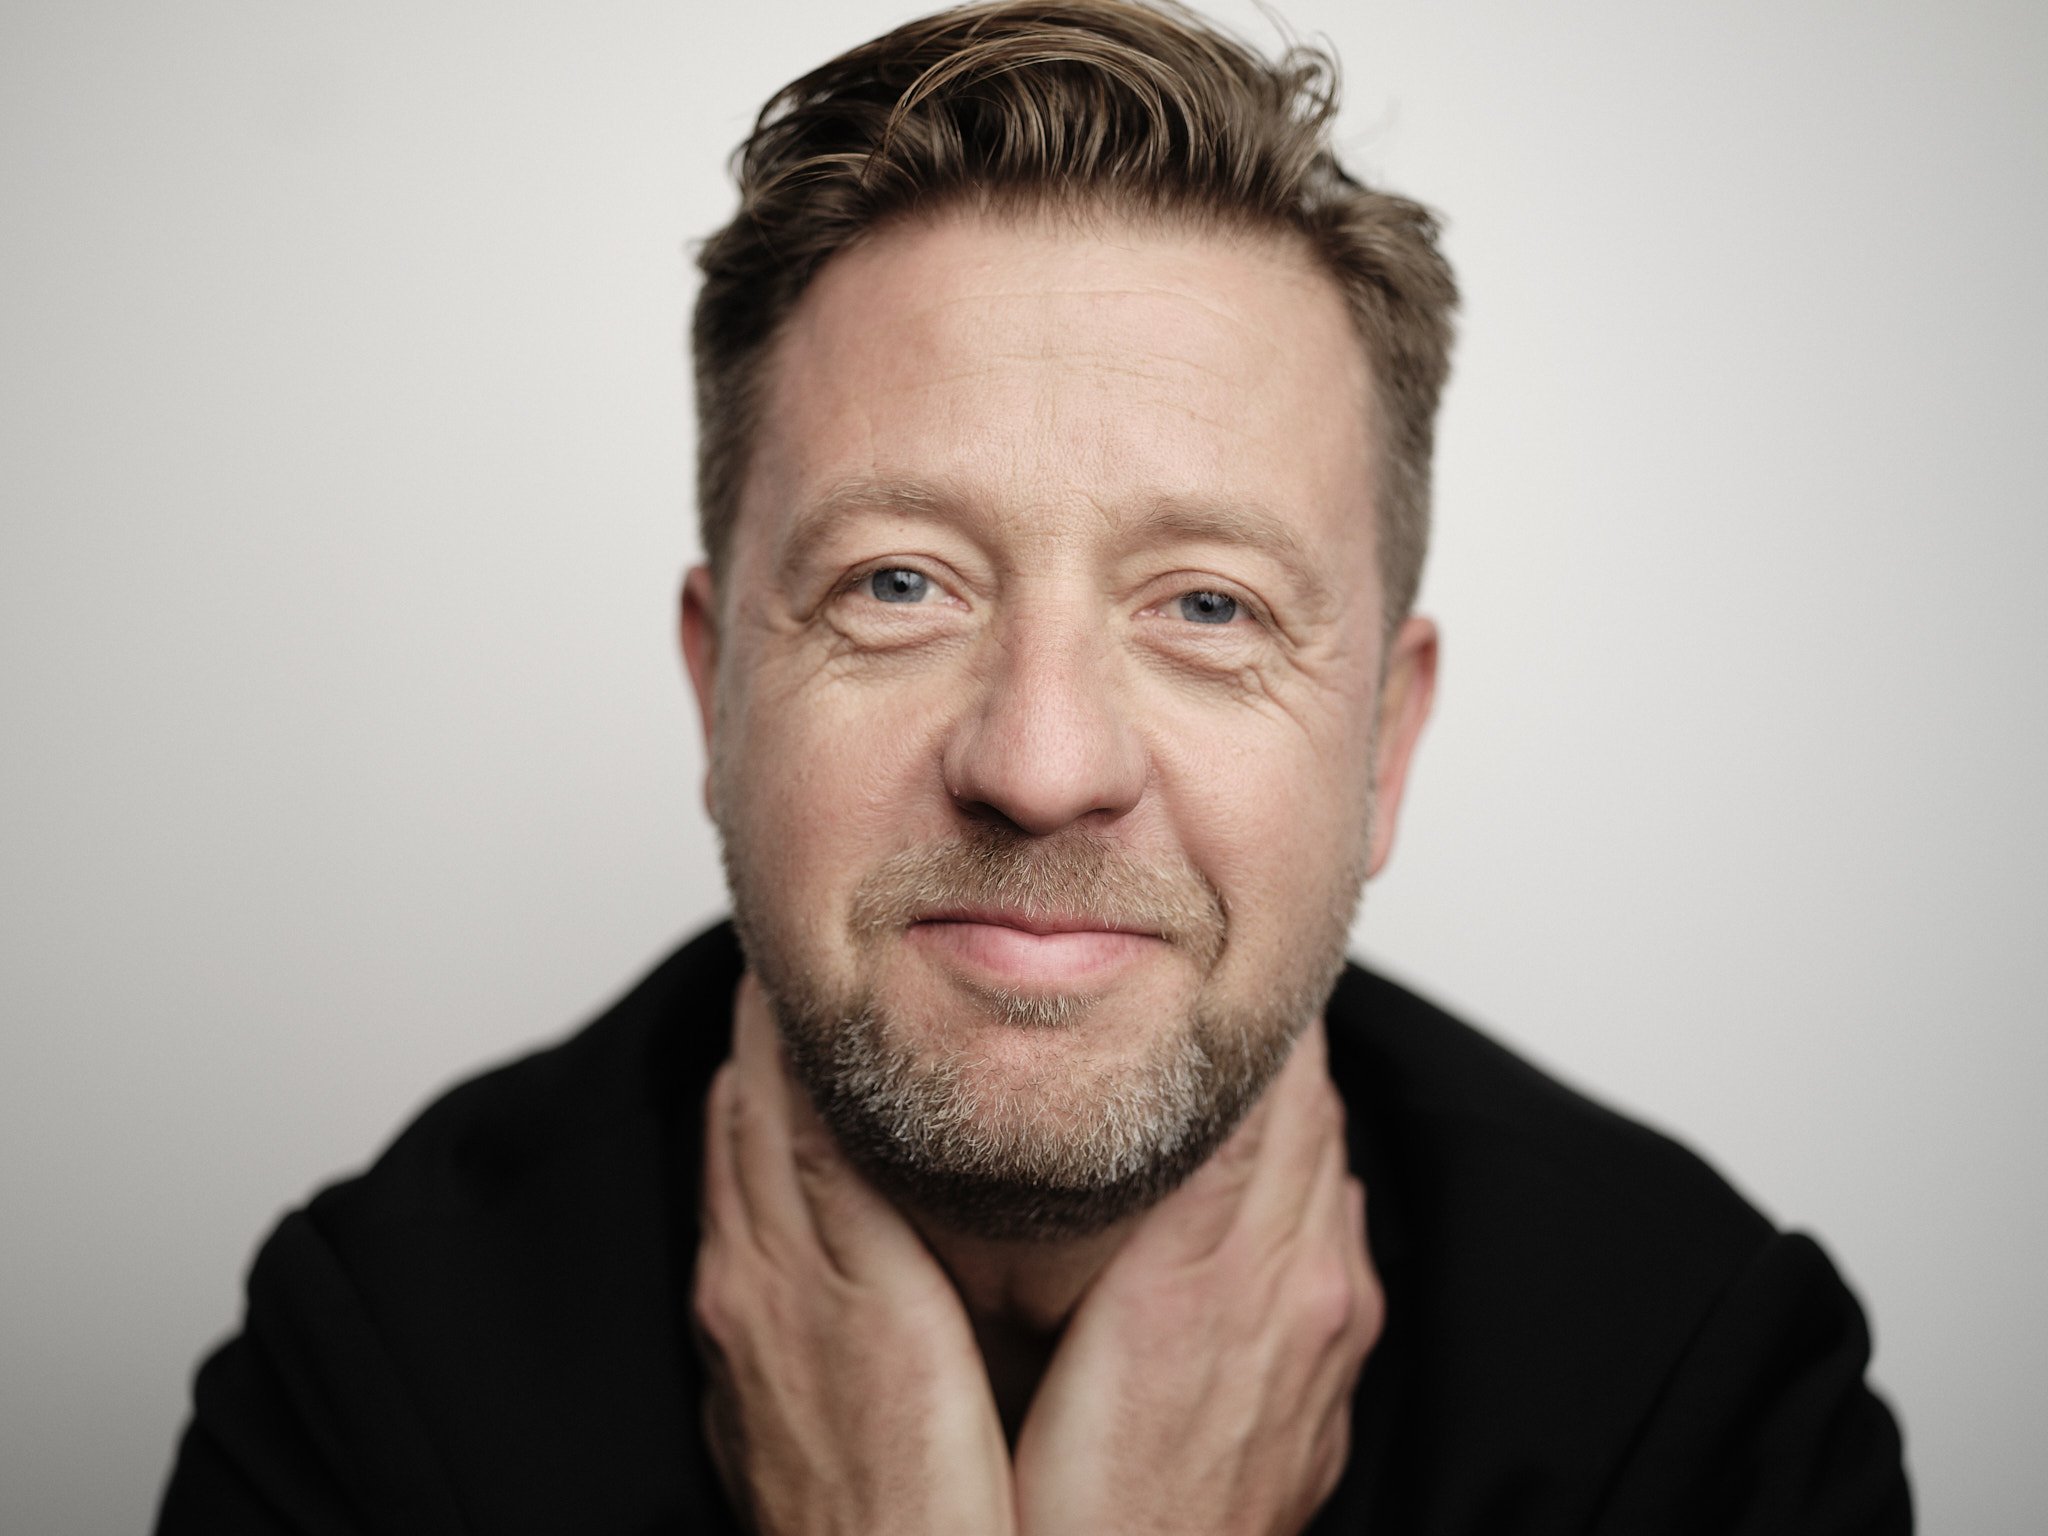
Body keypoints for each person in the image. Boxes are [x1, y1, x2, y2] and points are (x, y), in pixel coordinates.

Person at [157, 2, 1912, 1531]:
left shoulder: (1697, 1392)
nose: (1042, 763)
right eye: (897, 584)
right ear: (717, 692)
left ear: (1386, 740)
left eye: (1209, 606)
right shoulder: (377, 1372)